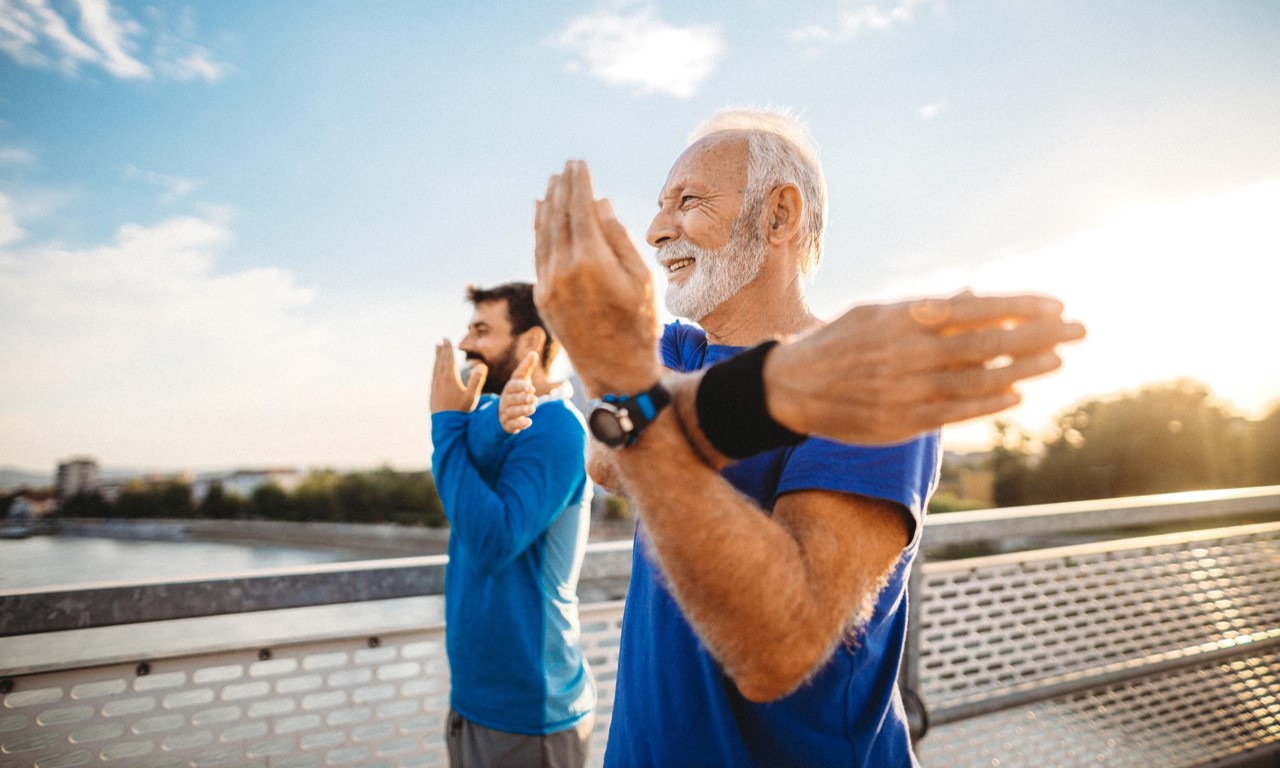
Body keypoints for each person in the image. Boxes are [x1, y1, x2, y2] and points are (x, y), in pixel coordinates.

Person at [523, 109, 1085, 767]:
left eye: (688, 201)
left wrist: (651, 396)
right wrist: (774, 389)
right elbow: (605, 452)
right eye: (659, 206)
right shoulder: (677, 348)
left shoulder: (870, 375)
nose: (655, 230)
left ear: (779, 216)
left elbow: (778, 649)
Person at [429, 282, 595, 768]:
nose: (465, 344)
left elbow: (490, 543)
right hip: (475, 703)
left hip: (529, 712)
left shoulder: (557, 428)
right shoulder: (492, 415)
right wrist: (469, 424)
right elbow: (461, 490)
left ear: (531, 344)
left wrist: (444, 423)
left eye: (482, 330)